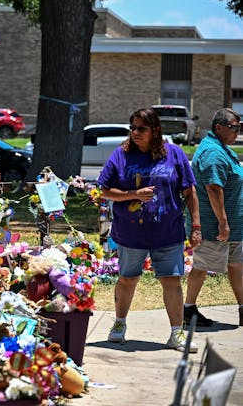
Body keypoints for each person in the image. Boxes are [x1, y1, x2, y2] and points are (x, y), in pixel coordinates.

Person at [98, 107, 201, 352]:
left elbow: (190, 192)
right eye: (132, 128)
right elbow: (104, 190)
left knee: (172, 281)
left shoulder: (174, 154)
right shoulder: (121, 156)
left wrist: (196, 225)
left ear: (155, 130)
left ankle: (177, 334)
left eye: (141, 128)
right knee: (127, 279)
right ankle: (119, 324)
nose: (135, 132)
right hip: (131, 233)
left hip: (168, 232)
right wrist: (134, 194)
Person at [184, 108, 243, 327]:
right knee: (201, 267)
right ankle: (188, 309)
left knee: (237, 265)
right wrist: (223, 223)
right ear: (219, 128)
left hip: (233, 226)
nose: (237, 131)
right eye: (234, 127)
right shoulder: (212, 153)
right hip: (214, 226)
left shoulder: (223, 149)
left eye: (239, 127)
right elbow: (213, 188)